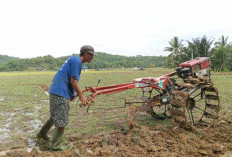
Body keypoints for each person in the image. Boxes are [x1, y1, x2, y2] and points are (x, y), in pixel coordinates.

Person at [37, 45, 95, 151]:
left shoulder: (74, 59)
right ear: (86, 54)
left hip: (56, 90)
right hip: (60, 92)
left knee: (55, 116)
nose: (92, 57)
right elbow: (73, 80)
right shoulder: (77, 61)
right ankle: (56, 146)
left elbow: (69, 78)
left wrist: (71, 93)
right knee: (62, 120)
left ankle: (42, 134)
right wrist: (81, 96)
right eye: (91, 55)